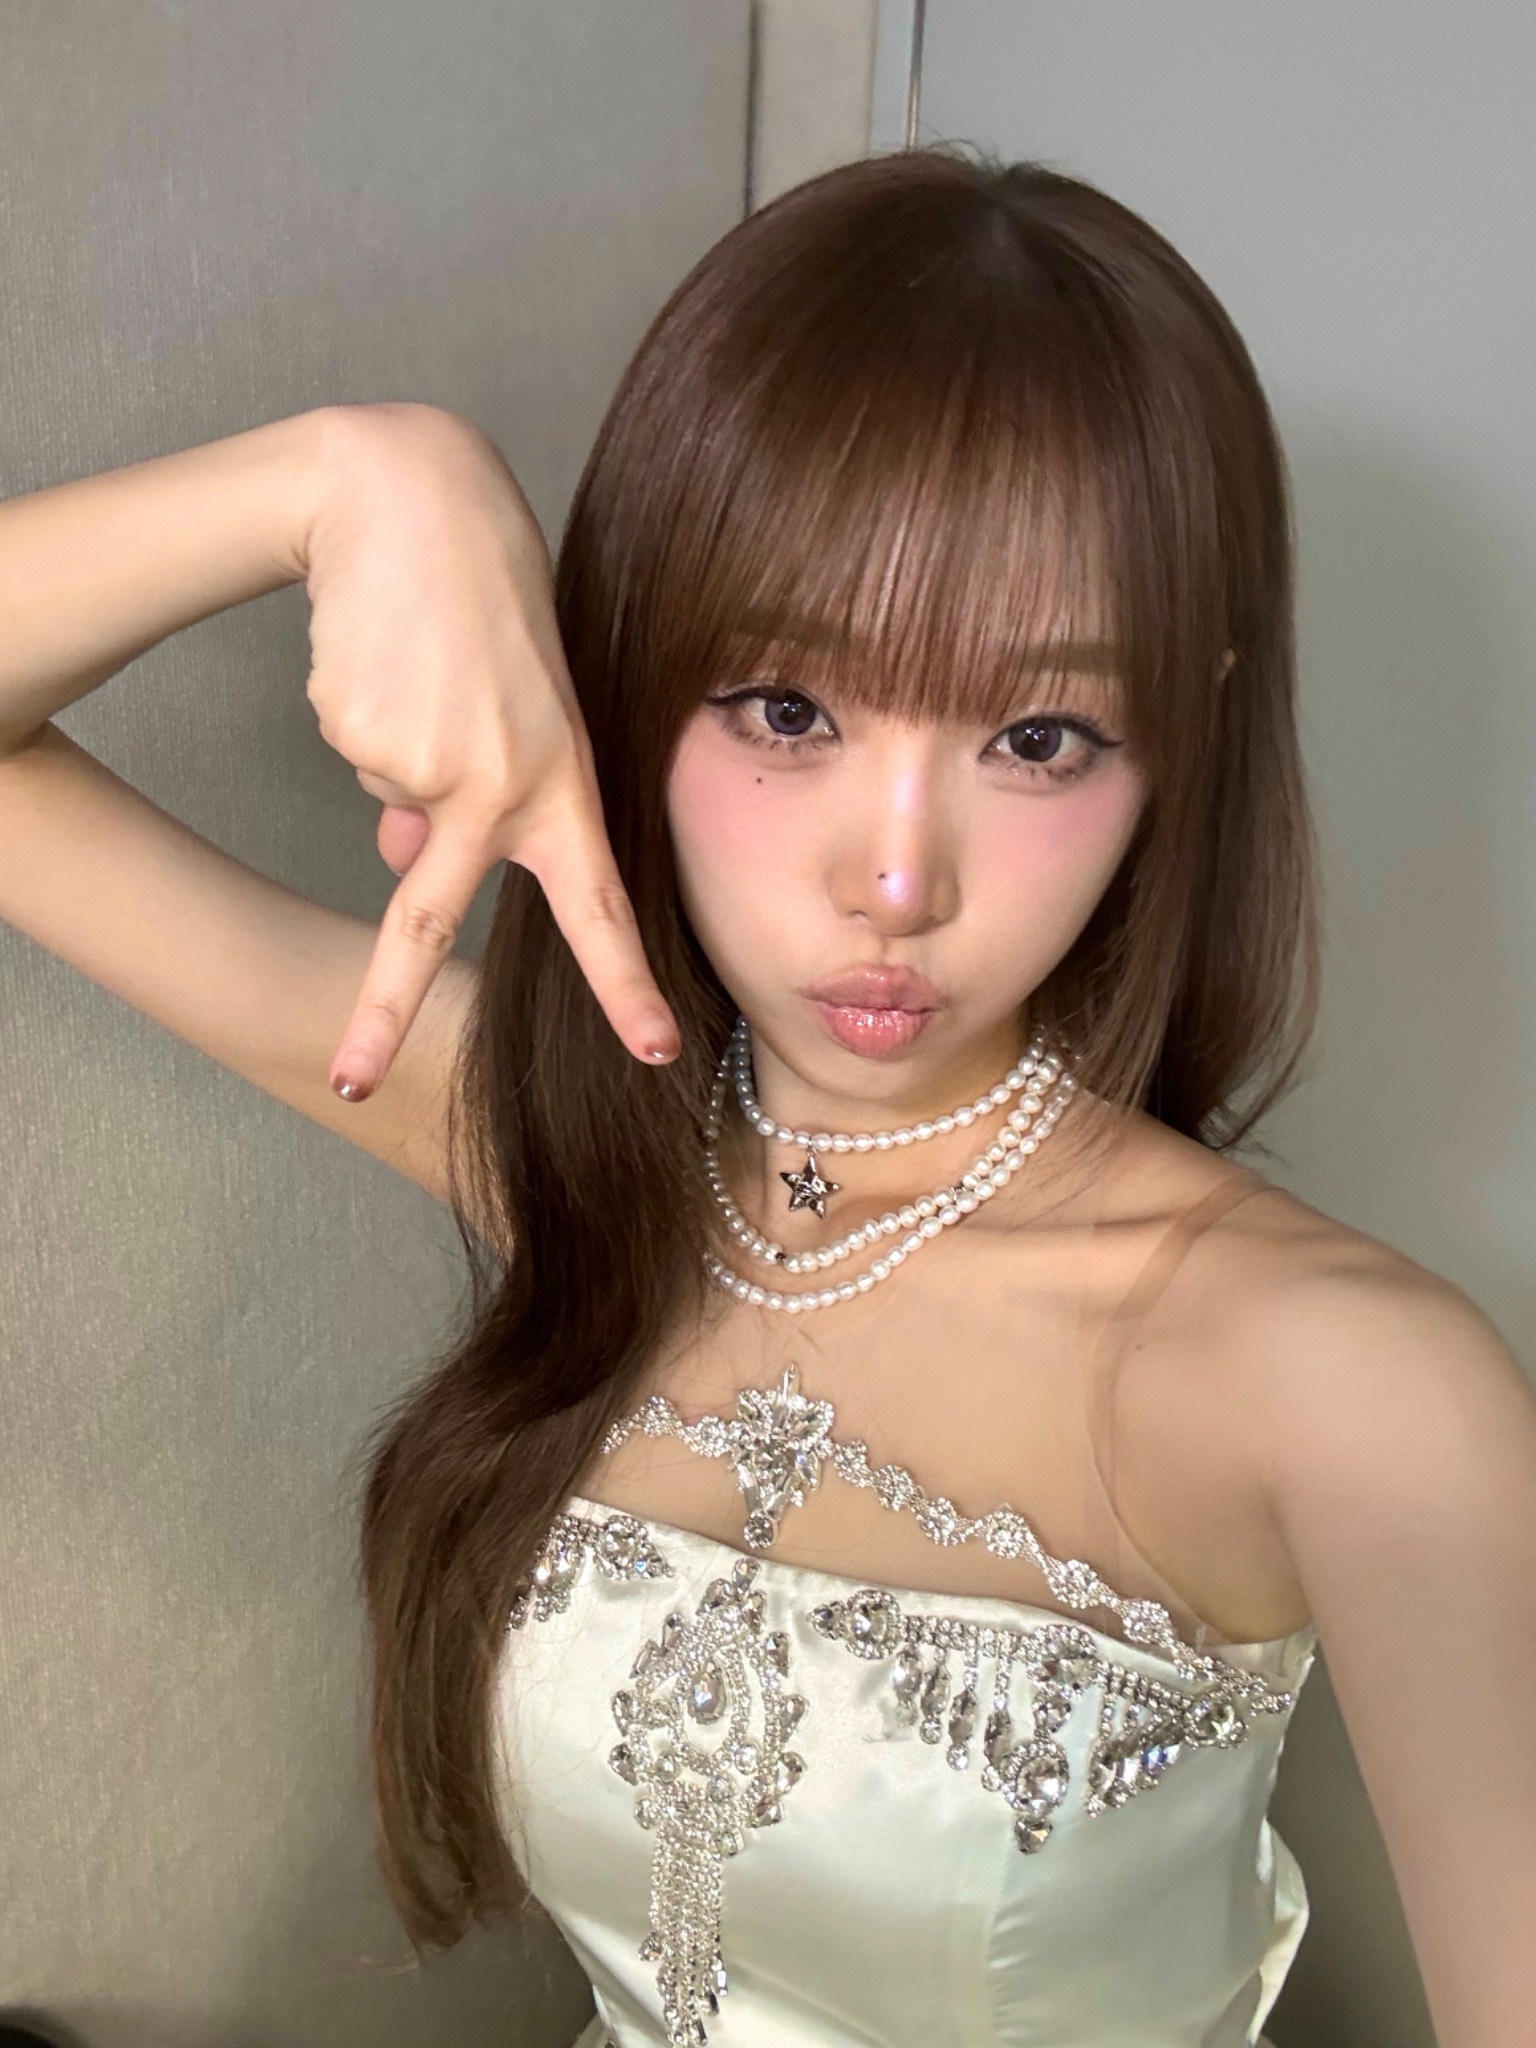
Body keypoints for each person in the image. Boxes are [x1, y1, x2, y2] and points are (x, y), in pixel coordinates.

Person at [0, 148, 1531, 2048]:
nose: (896, 880)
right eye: (788, 711)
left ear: (1179, 736)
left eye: (1039, 735)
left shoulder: (1357, 1385)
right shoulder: (577, 1154)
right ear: (634, 681)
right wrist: (343, 474)